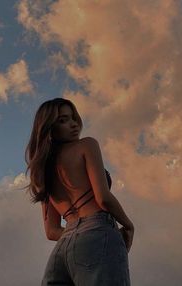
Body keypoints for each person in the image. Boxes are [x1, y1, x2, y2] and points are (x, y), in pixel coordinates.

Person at [24, 97, 134, 285]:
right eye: (63, 120)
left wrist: (76, 233)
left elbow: (51, 231)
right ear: (49, 128)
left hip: (62, 250)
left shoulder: (42, 169)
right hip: (97, 233)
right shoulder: (86, 145)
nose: (73, 124)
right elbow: (103, 198)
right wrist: (129, 226)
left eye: (73, 118)